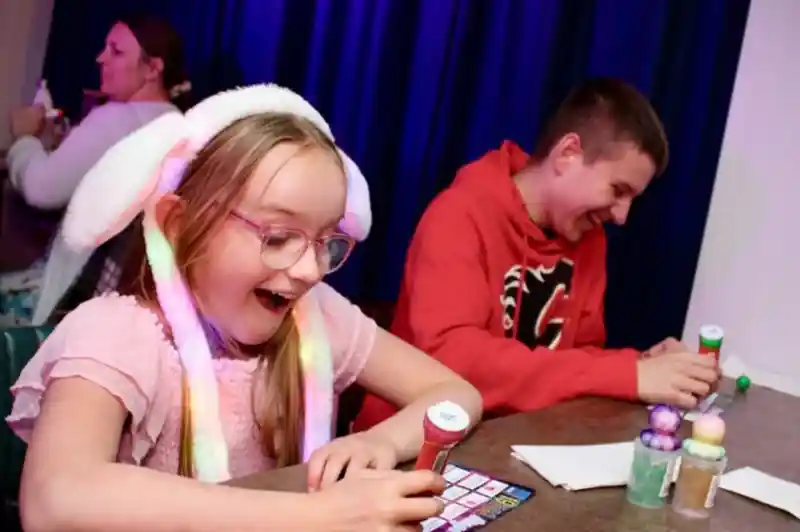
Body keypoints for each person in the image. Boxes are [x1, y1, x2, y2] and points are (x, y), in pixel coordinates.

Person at [6, 84, 481, 531]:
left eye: (326, 242)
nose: (310, 270)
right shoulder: (118, 333)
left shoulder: (314, 318)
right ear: (177, 223)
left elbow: (455, 395)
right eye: (277, 237)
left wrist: (378, 441)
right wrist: (314, 517)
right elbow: (56, 498)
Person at [354, 77, 718, 431]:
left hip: (515, 442)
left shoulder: (588, 236)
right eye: (617, 189)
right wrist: (627, 375)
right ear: (567, 154)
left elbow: (578, 361)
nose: (622, 215)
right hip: (412, 442)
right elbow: (453, 359)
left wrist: (641, 365)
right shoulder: (459, 215)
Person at [1, 14, 192, 327]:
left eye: (116, 51)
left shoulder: (119, 118)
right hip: (113, 307)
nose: (100, 58)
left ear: (152, 69)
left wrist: (24, 138)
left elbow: (40, 189)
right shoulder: (176, 126)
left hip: (62, 302)